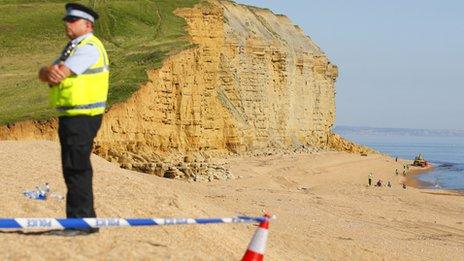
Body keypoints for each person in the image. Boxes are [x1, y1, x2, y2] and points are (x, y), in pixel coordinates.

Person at [38, 3, 109, 236]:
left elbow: (59, 73)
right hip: (73, 116)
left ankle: (81, 223)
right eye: (67, 20)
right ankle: (79, 221)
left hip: (83, 116)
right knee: (72, 168)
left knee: (77, 168)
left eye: (72, 20)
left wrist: (53, 72)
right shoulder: (72, 47)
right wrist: (48, 71)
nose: (66, 23)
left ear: (87, 25)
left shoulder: (88, 47)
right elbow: (46, 73)